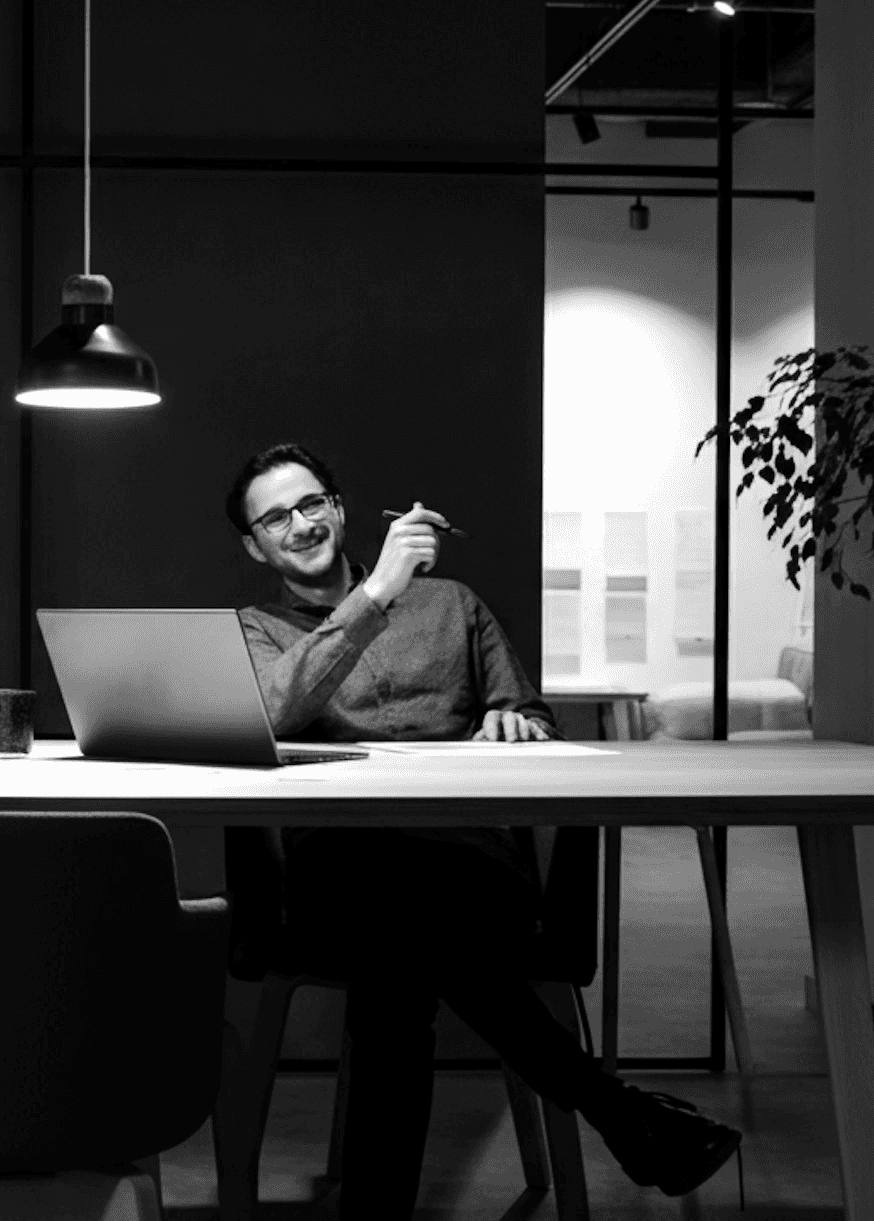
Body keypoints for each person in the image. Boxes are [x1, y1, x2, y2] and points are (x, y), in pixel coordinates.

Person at [226, 441, 741, 1216]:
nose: (298, 524)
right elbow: (270, 712)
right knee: (396, 943)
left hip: (466, 863)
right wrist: (375, 593)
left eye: (309, 504)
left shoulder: (454, 604)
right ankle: (618, 1111)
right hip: (340, 874)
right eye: (275, 517)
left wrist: (512, 718)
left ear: (336, 507)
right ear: (254, 544)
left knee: (397, 956)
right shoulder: (258, 630)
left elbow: (529, 714)